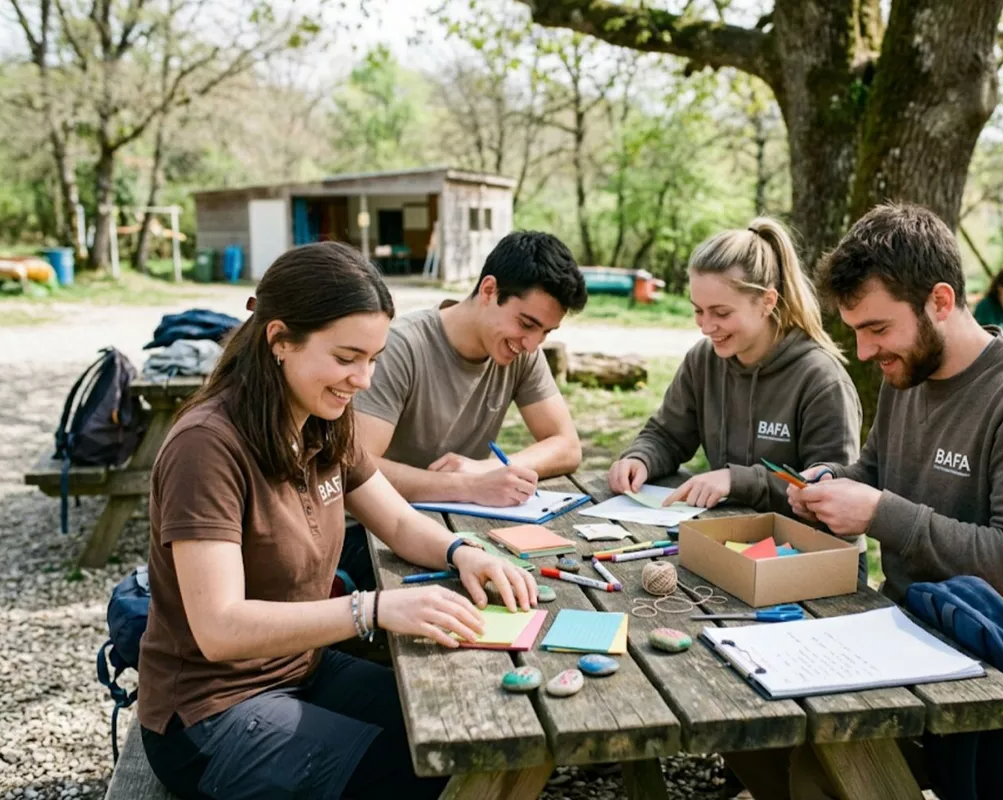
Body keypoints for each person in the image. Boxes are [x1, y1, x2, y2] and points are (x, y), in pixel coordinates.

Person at [137, 241, 536, 800]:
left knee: (462, 723)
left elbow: (397, 524)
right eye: (347, 358)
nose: (364, 379)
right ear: (279, 339)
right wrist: (371, 608)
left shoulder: (325, 421)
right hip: (211, 711)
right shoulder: (207, 445)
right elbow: (219, 627)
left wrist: (464, 553)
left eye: (373, 359)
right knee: (414, 768)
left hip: (300, 670)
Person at [724, 204, 1003, 800]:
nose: (865, 352)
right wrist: (827, 480)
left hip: (997, 658)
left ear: (940, 301)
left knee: (821, 765)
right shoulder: (907, 375)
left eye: (877, 329)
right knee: (744, 712)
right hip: (897, 627)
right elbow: (873, 471)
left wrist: (877, 513)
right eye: (857, 331)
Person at [606, 217, 863, 576]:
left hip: (811, 562)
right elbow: (666, 435)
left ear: (767, 301)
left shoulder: (820, 379)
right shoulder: (704, 360)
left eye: (721, 313)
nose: (707, 326)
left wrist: (736, 480)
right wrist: (640, 458)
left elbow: (830, 492)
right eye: (698, 310)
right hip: (732, 549)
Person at [354, 231, 587, 507]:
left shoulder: (521, 352)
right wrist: (467, 486)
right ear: (489, 290)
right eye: (526, 324)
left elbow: (567, 446)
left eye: (546, 332)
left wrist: (485, 469)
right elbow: (357, 466)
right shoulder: (400, 346)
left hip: (459, 521)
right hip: (372, 531)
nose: (533, 344)